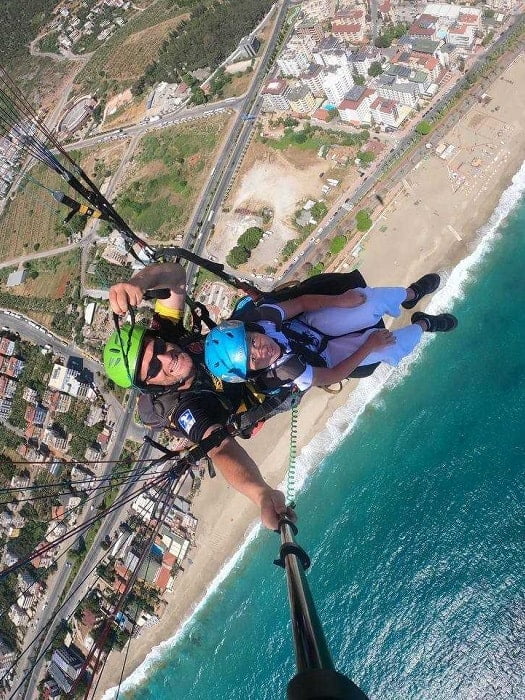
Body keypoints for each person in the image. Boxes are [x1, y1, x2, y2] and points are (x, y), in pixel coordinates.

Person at [103, 262, 369, 529]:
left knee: (269, 305)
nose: (165, 357)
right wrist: (261, 494)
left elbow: (175, 277)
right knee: (325, 363)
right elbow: (220, 448)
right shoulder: (183, 409)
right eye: (153, 368)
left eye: (159, 347)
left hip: (241, 344)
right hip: (262, 388)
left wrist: (139, 282)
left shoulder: (166, 334)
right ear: (151, 387)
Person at [204, 274, 458, 394]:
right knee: (390, 348)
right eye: (252, 359)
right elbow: (334, 375)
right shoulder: (285, 371)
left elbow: (301, 303)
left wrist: (341, 300)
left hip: (311, 325)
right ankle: (425, 324)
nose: (260, 350)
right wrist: (369, 346)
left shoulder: (263, 319)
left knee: (365, 301)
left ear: (249, 330)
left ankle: (411, 294)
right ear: (253, 372)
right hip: (327, 359)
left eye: (251, 341)